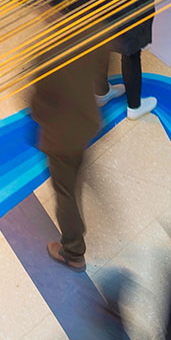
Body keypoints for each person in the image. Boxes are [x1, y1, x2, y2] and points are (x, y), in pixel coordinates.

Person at [29, 35, 111, 272]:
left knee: (65, 191)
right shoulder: (96, 37)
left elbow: (38, 105)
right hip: (86, 125)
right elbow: (99, 76)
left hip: (62, 138)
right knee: (76, 177)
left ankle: (73, 252)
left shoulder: (48, 57)